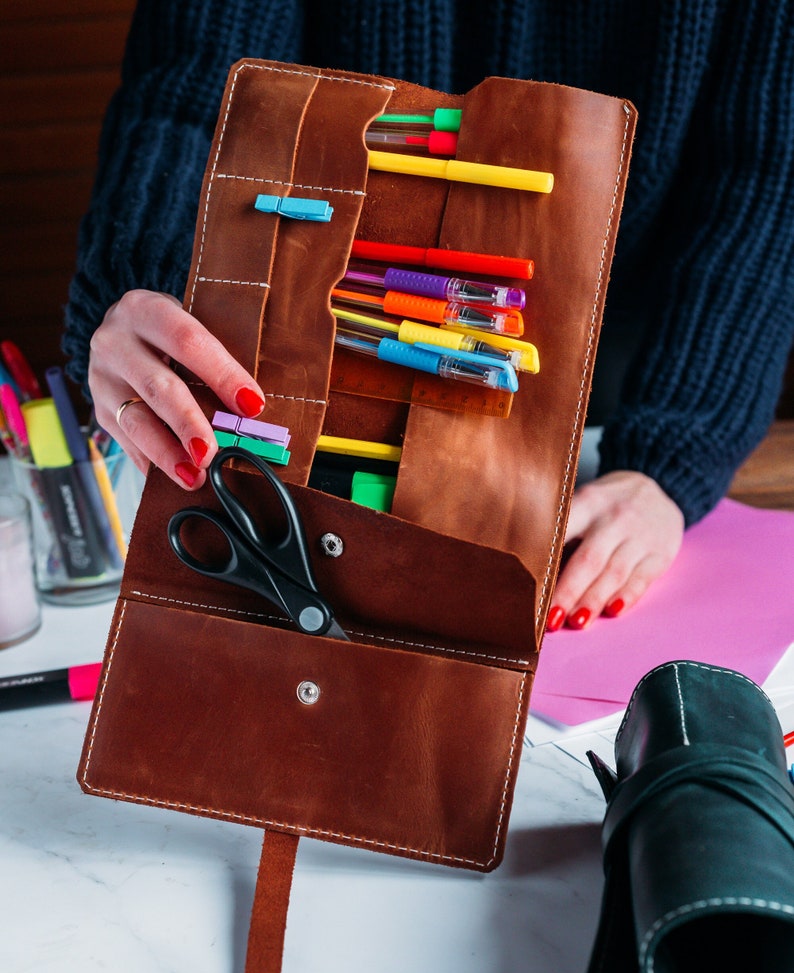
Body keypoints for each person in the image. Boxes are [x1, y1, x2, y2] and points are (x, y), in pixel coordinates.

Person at [62, 0, 794, 630]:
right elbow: (193, 93)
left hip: (619, 377)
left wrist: (675, 454)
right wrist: (139, 292)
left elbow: (764, 171)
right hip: (302, 357)